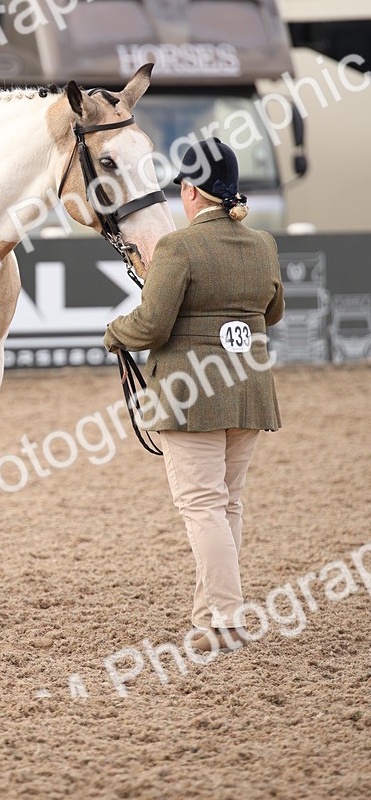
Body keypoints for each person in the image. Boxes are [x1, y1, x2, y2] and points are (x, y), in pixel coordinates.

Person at [103, 137, 284, 654]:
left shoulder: (179, 248)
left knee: (201, 504)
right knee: (228, 503)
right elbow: (272, 314)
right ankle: (211, 613)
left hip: (191, 394)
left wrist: (114, 332)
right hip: (249, 390)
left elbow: (152, 325)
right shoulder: (262, 243)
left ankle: (227, 618)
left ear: (189, 192)